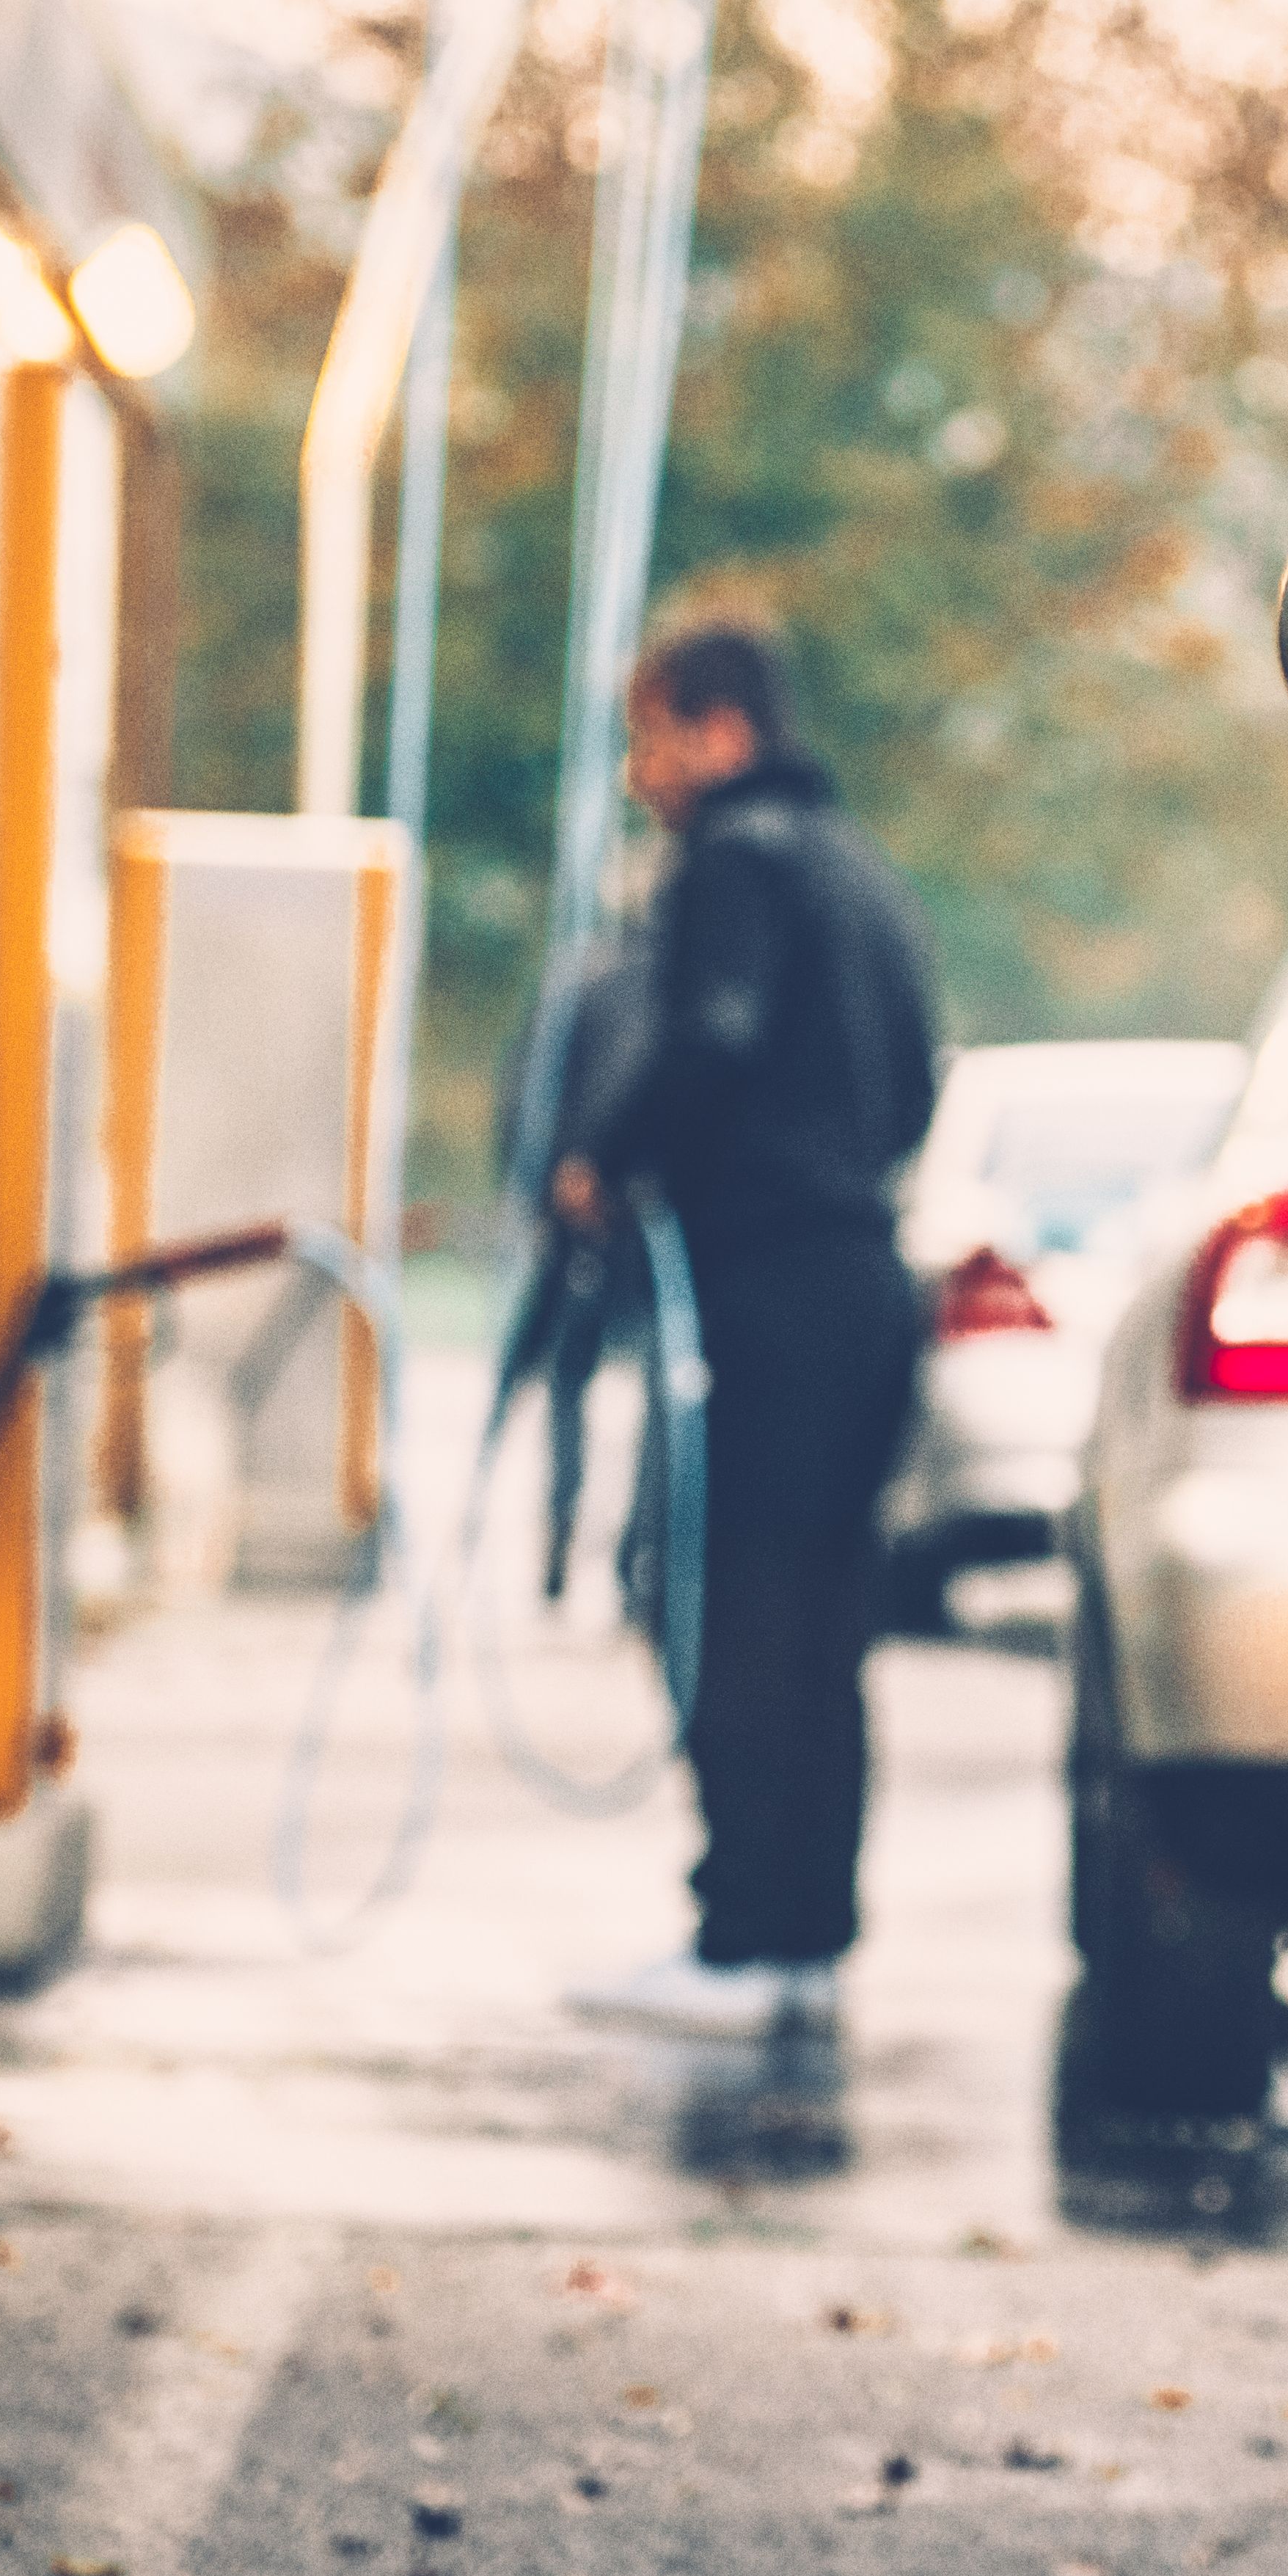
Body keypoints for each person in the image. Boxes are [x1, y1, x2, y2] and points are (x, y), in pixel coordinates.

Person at [552, 625, 939, 2038]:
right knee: (823, 1621)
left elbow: (708, 1038)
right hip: (864, 1282)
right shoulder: (864, 873)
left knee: (722, 1603)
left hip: (766, 1288)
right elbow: (908, 1092)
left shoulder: (733, 860)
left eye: (650, 740)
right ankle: (804, 1939)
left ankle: (737, 1938)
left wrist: (608, 1158)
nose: (643, 775)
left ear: (717, 733)